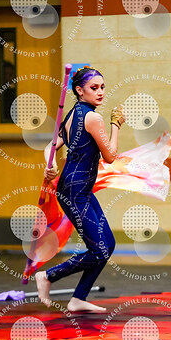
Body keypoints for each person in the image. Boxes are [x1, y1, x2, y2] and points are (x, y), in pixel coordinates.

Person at [35, 66, 125, 313]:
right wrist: (116, 125)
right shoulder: (93, 118)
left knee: (108, 244)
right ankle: (48, 276)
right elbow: (110, 156)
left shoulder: (74, 113)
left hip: (80, 190)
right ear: (79, 90)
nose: (100, 92)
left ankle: (78, 298)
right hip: (75, 192)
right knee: (99, 250)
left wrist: (51, 163)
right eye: (94, 88)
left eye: (103, 87)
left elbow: (50, 146)